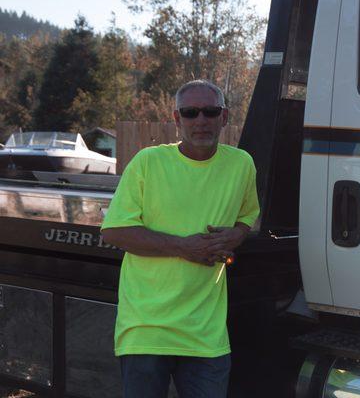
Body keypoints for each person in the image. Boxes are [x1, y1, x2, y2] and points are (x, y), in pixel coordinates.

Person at [101, 79, 260, 398]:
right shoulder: (148, 162)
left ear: (224, 117)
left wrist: (236, 236)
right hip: (146, 331)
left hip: (206, 336)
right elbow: (114, 231)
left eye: (210, 111)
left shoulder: (241, 164)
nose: (200, 120)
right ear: (176, 119)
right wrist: (183, 247)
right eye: (190, 112)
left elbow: (249, 218)